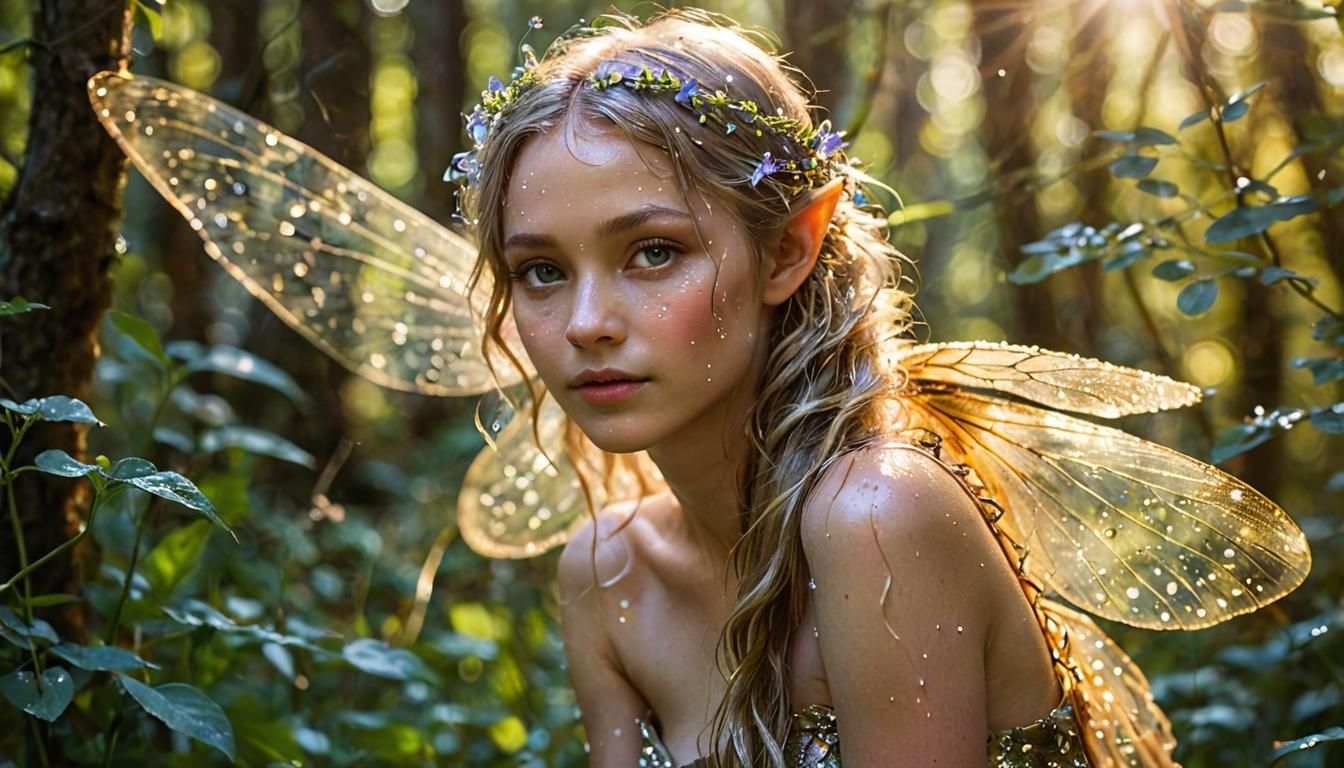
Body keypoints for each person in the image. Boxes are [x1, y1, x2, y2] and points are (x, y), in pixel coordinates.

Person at [87, 7, 1311, 767]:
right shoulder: (604, 573)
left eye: (653, 251)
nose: (587, 325)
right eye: (537, 272)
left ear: (788, 247)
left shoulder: (879, 516)